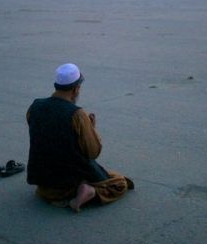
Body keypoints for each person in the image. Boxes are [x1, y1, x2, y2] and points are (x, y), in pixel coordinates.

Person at [26, 63, 134, 212]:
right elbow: (93, 152)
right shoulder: (77, 114)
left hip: (44, 183)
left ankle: (64, 195)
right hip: (69, 179)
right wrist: (91, 129)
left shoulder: (35, 106)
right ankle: (90, 192)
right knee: (120, 182)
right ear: (76, 89)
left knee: (103, 174)